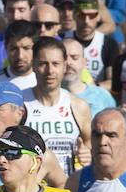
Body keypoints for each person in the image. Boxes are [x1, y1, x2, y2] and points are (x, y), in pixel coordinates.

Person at [24, 37, 95, 174]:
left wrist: (87, 153)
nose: (50, 71)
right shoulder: (20, 105)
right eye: (43, 64)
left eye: (56, 64)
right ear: (33, 65)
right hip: (32, 190)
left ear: (64, 66)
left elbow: (90, 144)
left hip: (68, 190)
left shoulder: (79, 106)